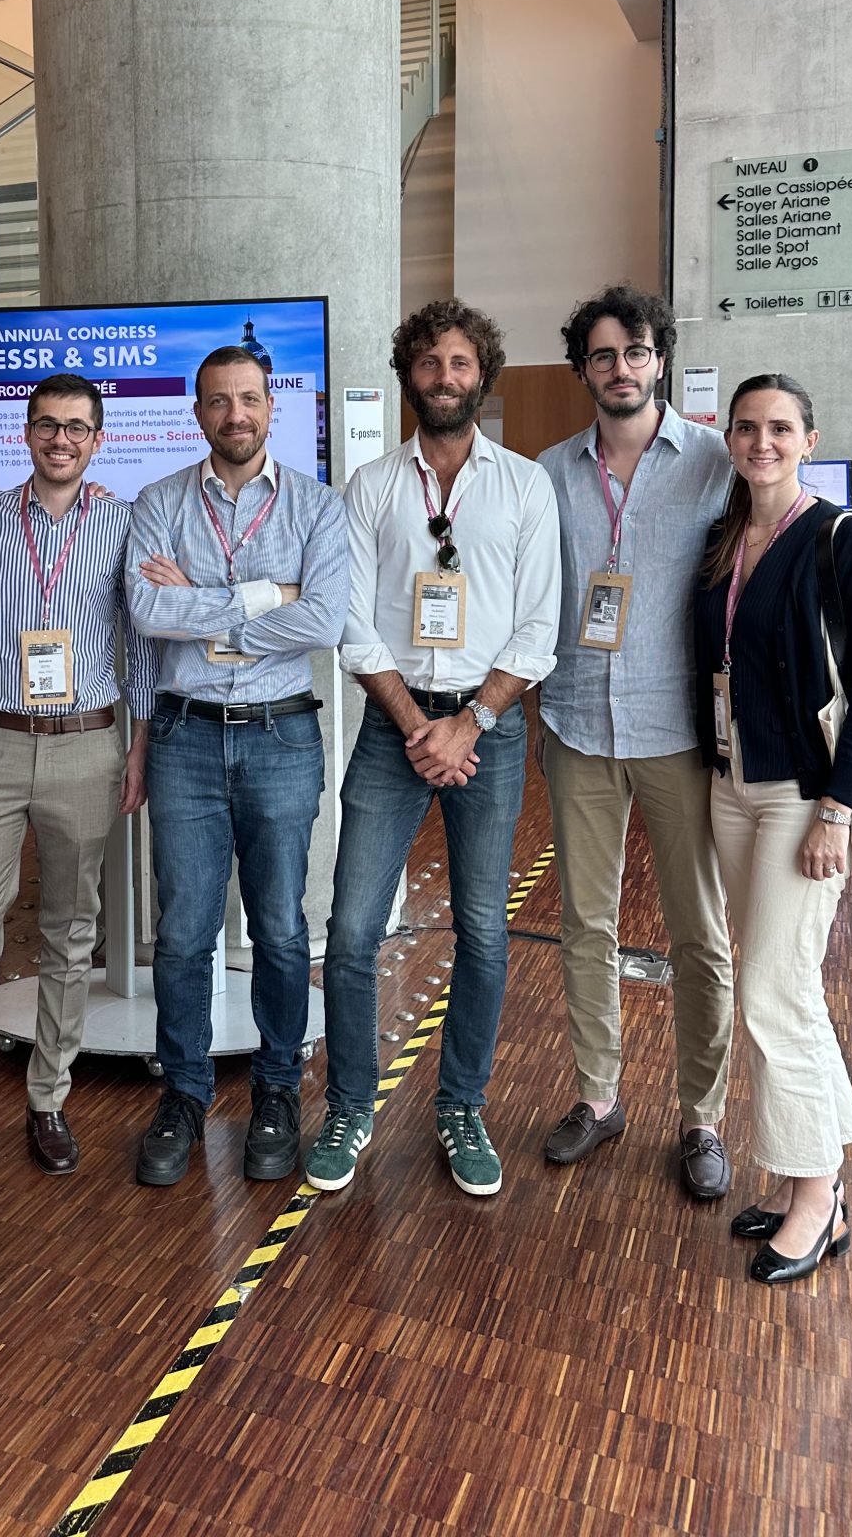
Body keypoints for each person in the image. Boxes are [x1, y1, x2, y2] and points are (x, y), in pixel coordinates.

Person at [307, 298, 560, 1199]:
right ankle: (349, 1105)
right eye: (428, 363)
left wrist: (470, 722)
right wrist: (419, 725)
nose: (444, 377)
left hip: (488, 729)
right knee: (351, 930)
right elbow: (351, 621)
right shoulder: (372, 487)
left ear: (482, 375)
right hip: (395, 727)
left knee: (483, 929)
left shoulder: (526, 487)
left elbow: (538, 626)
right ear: (407, 376)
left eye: (459, 363)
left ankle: (462, 1106)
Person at [0, 374, 156, 1182]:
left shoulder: (123, 523)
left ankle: (49, 1097)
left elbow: (142, 643)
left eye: (77, 427)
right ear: (25, 433)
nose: (61, 439)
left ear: (98, 440)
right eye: (48, 425)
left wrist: (138, 745)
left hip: (87, 746)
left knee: (70, 929)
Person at [693, 374, 852, 1284]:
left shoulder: (843, 537)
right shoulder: (725, 538)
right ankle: (804, 1177)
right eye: (747, 427)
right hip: (732, 783)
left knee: (775, 992)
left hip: (802, 795)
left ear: (809, 439)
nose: (762, 442)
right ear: (730, 439)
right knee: (779, 987)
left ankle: (818, 1197)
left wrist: (836, 810)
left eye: (780, 427)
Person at [125, 345, 349, 1186]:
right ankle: (183, 1096)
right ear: (198, 413)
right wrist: (267, 595)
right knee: (183, 932)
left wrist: (203, 605)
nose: (235, 415)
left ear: (271, 407)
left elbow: (324, 620)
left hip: (280, 739)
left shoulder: (317, 508)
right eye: (218, 401)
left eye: (249, 399)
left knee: (281, 930)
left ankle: (278, 1092)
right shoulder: (159, 501)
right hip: (184, 738)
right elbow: (149, 611)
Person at [536, 286, 735, 1199]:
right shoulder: (548, 473)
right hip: (577, 722)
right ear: (583, 369)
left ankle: (702, 1117)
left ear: (660, 359)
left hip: (677, 730)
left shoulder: (715, 464)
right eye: (604, 355)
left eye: (637, 351)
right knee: (586, 924)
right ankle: (599, 1096)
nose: (622, 368)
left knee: (700, 933)